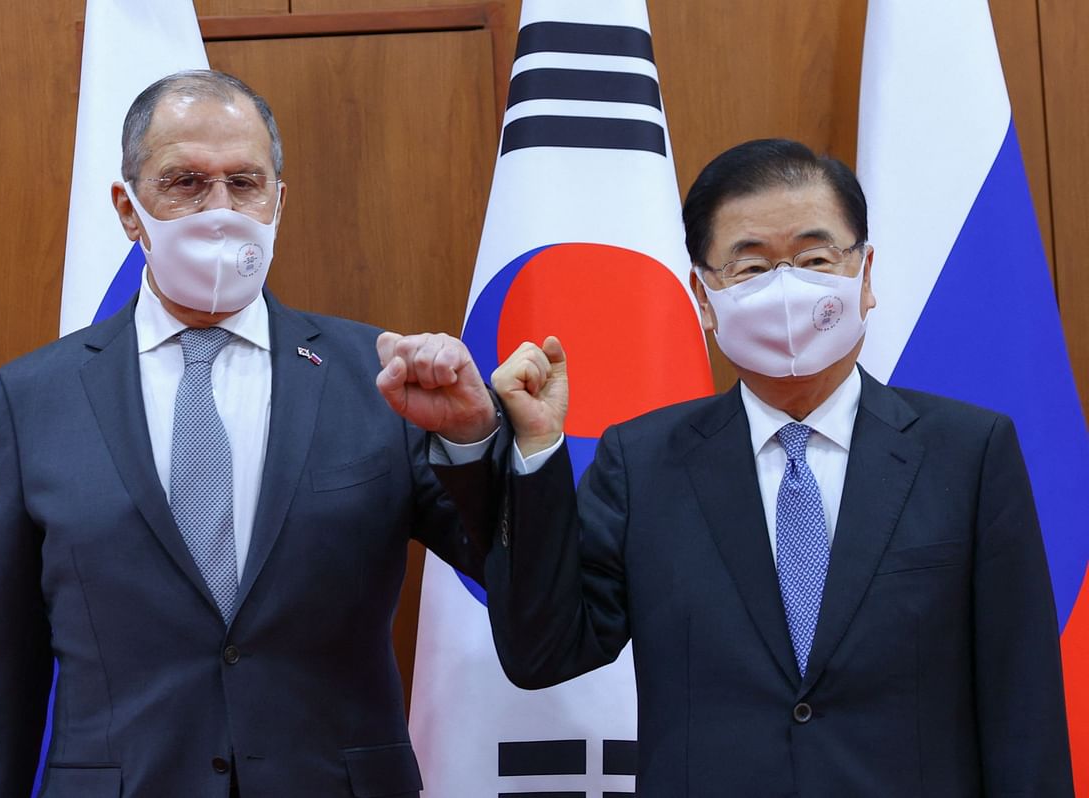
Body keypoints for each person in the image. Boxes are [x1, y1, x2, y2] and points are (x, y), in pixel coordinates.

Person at [378, 139, 1075, 795]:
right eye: (751, 266)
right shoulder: (643, 462)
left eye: (815, 259)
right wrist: (531, 450)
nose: (786, 288)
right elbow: (545, 651)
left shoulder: (969, 453)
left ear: (866, 277)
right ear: (705, 299)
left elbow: (1023, 700)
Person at [0, 70, 500, 798]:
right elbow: (1, 670)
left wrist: (473, 444)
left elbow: (516, 583)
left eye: (244, 183)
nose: (220, 211)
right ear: (128, 208)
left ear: (279, 201)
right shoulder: (33, 399)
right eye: (185, 182)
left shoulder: (380, 382)